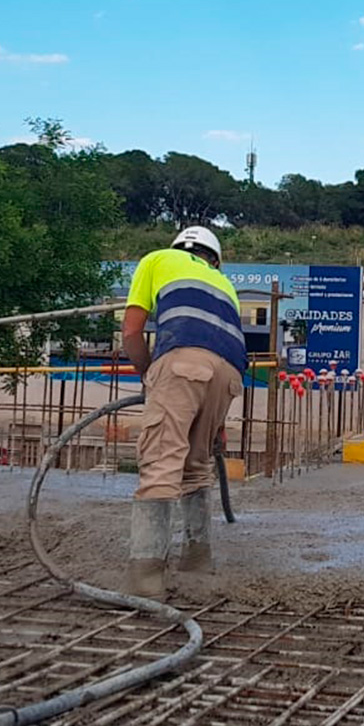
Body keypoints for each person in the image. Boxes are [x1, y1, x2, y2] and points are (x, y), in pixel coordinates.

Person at [122, 226, 247, 597]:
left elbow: (131, 332)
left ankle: (145, 580)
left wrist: (149, 374)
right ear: (215, 259)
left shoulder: (157, 260)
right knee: (196, 466)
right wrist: (217, 425)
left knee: (161, 462)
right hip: (229, 376)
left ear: (178, 247)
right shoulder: (225, 286)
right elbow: (220, 354)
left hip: (181, 362)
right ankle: (196, 563)